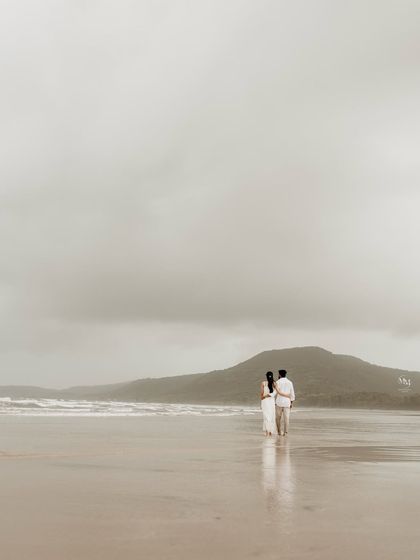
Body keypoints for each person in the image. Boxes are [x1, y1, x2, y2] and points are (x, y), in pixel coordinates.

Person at [260, 371, 290, 436]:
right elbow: (278, 392)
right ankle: (270, 431)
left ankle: (267, 431)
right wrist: (287, 395)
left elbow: (261, 395)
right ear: (272, 376)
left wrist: (265, 396)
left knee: (266, 416)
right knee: (271, 416)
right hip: (271, 401)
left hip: (265, 401)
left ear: (266, 376)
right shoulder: (275, 383)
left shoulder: (263, 383)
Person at [275, 369, 295, 436]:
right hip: (287, 402)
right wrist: (291, 403)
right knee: (286, 418)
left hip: (279, 402)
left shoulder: (277, 382)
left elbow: (275, 392)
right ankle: (285, 432)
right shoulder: (290, 382)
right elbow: (292, 393)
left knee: (278, 418)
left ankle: (279, 432)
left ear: (280, 374)